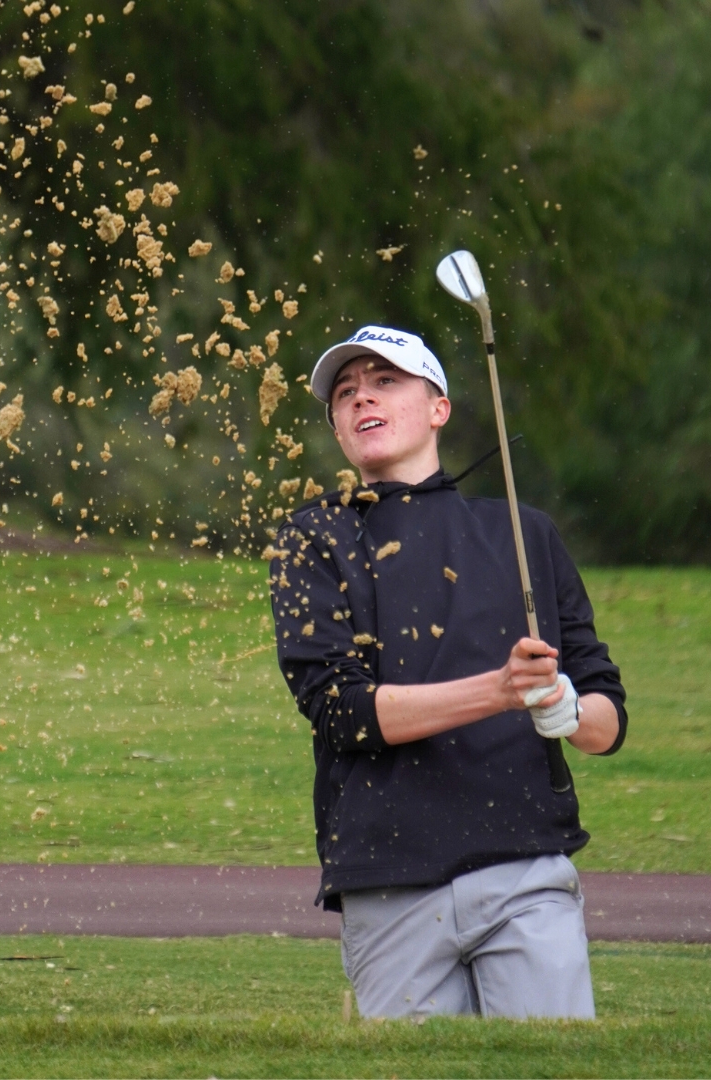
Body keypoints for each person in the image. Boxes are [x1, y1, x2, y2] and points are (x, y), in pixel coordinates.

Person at [268, 324, 626, 1020]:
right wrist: (499, 691)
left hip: (525, 867)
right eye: (345, 392)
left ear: (440, 408)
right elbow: (342, 711)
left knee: (549, 1069)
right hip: (389, 882)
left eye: (385, 381)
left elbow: (607, 721)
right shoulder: (313, 538)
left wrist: (569, 710)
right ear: (338, 429)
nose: (361, 397)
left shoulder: (524, 532)